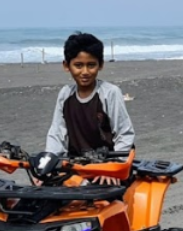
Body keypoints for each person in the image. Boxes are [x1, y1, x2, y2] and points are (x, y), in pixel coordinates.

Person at [45, 32, 135, 186]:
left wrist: (112, 167)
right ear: (66, 66)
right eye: (78, 65)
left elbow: (124, 133)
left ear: (100, 65)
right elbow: (56, 134)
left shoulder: (110, 93)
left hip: (107, 166)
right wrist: (47, 165)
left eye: (91, 65)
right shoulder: (65, 94)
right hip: (76, 166)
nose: (85, 72)